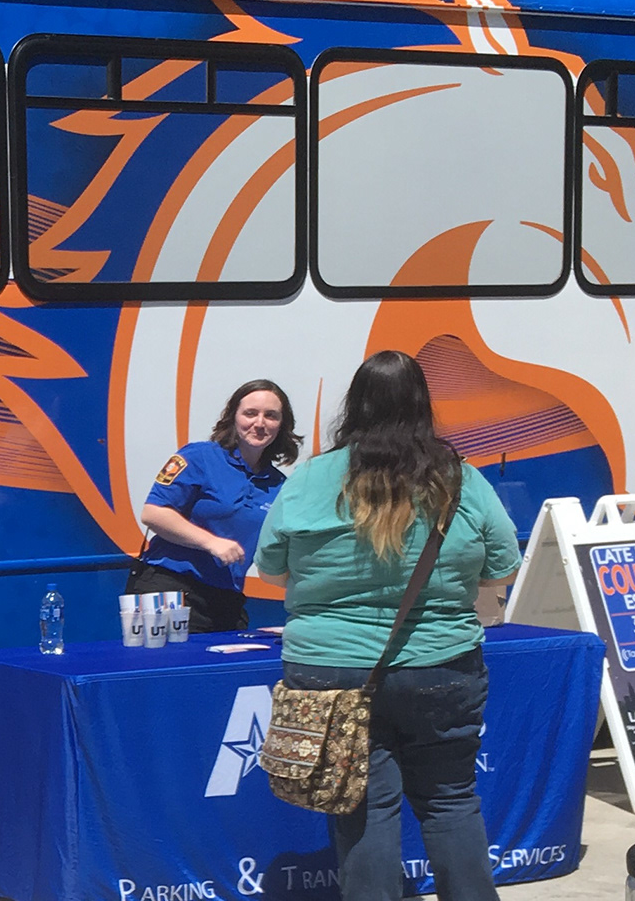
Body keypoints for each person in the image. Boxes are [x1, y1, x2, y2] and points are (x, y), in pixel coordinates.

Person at [255, 350, 520, 901]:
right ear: (423, 406)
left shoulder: (311, 479)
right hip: (442, 666)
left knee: (363, 807)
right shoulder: (462, 480)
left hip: (329, 671)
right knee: (450, 800)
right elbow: (503, 566)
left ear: (355, 406)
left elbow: (273, 568)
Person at [126, 379, 300, 632]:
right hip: (170, 589)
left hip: (226, 598)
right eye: (250, 413)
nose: (260, 423)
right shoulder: (199, 457)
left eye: (271, 416)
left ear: (282, 425)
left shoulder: (279, 485)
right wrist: (211, 542)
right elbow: (153, 513)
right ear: (233, 417)